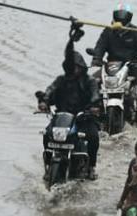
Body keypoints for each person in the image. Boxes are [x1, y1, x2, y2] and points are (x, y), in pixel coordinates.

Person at [38, 26, 102, 178]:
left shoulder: (89, 80)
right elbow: (50, 90)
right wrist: (44, 102)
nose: (73, 69)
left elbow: (95, 94)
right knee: (47, 134)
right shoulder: (61, 80)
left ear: (81, 67)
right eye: (70, 66)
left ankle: (91, 166)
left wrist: (93, 106)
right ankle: (48, 164)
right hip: (62, 119)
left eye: (76, 67)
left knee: (93, 136)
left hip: (83, 118)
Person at [91, 4, 137, 121]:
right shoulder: (108, 31)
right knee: (91, 80)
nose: (121, 20)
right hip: (111, 65)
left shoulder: (135, 31)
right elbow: (100, 46)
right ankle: (95, 108)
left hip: (131, 65)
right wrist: (96, 58)